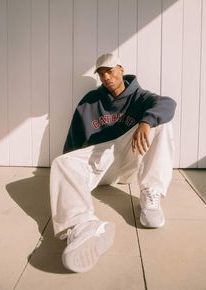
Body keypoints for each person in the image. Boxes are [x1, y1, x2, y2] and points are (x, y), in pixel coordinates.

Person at [50, 53, 176, 273]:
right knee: (61, 163)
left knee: (162, 124)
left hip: (129, 162)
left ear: (121, 69)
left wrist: (146, 122)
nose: (106, 77)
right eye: (101, 73)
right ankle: (83, 226)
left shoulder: (141, 96)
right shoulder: (90, 101)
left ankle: (150, 197)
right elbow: (74, 137)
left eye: (110, 71)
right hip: (100, 165)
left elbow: (168, 103)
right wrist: (73, 168)